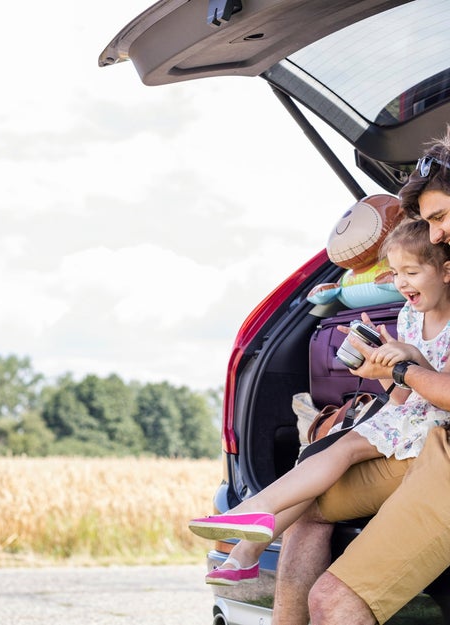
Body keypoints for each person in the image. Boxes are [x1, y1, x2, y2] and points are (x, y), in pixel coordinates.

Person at [189, 216, 450, 587]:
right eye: (395, 273)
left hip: (435, 430)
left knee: (337, 454)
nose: (401, 282)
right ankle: (245, 544)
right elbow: (403, 394)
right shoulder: (408, 315)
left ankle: (253, 521)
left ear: (446, 271)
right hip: (405, 416)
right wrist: (381, 370)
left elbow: (440, 391)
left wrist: (408, 361)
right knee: (321, 455)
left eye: (411, 271)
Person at [274, 130, 450, 625]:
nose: (436, 234)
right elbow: (408, 394)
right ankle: (248, 537)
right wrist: (392, 375)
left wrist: (401, 366)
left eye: (439, 218)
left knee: (333, 602)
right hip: (427, 440)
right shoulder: (416, 310)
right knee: (304, 502)